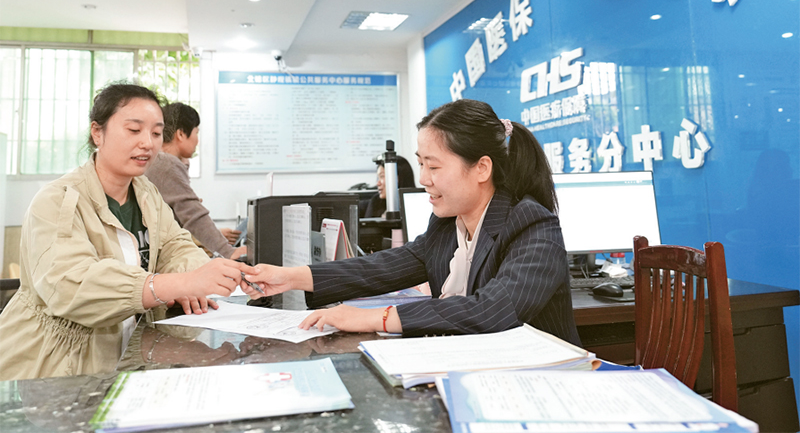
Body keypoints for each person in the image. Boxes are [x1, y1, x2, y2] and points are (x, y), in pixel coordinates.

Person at [243, 99, 580, 345]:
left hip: (540, 381)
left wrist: (376, 318)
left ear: (481, 168)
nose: (423, 179)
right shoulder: (448, 223)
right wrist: (290, 277)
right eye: (420, 164)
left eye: (434, 167)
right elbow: (383, 267)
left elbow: (494, 309)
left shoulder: (533, 224)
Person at [0, 84, 254, 381]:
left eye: (156, 133)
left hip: (129, 355)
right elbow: (73, 286)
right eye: (134, 130)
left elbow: (176, 246)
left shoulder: (146, 193)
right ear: (97, 132)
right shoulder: (58, 200)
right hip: (56, 366)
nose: (147, 143)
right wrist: (176, 284)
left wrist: (195, 278)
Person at [145, 102, 246, 259]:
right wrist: (228, 251)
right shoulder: (166, 164)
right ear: (180, 134)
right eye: (196, 133)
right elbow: (193, 215)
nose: (197, 141)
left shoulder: (160, 161)